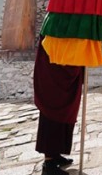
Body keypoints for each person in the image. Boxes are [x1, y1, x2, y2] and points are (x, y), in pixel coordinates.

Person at [34, 35, 83, 175]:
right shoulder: (54, 22)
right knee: (52, 113)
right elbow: (53, 49)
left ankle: (55, 154)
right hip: (53, 76)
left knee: (66, 112)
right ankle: (48, 163)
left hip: (64, 72)